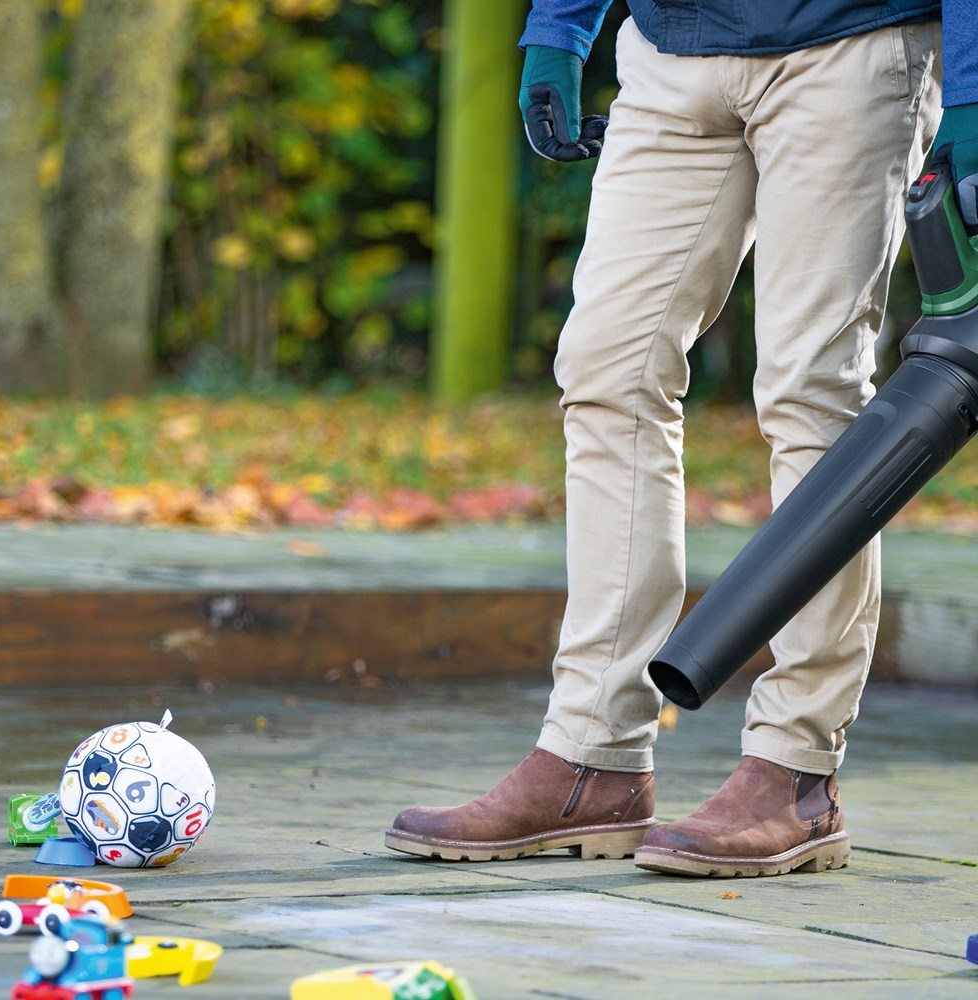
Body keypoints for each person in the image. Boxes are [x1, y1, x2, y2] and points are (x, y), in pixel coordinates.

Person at [385, 0, 978, 877]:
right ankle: (593, 756)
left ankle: (796, 770)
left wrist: (970, 84)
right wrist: (558, 29)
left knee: (813, 399)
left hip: (850, 46)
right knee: (605, 369)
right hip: (672, 49)